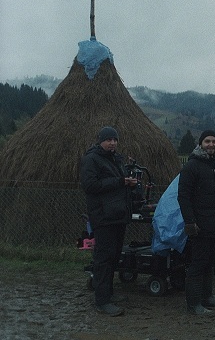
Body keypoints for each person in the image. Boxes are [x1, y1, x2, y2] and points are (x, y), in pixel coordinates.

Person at [80, 126, 138, 317]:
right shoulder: (91, 159)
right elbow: (90, 185)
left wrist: (128, 183)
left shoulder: (115, 159)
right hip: (103, 217)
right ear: (101, 141)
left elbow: (117, 183)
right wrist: (120, 182)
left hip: (117, 215)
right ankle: (102, 301)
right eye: (109, 140)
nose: (112, 143)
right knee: (103, 259)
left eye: (115, 139)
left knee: (113, 256)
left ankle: (109, 294)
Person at [178, 130, 215, 315]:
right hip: (199, 223)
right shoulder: (192, 166)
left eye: (214, 141)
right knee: (198, 263)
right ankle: (193, 304)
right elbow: (183, 196)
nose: (211, 144)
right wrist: (190, 222)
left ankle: (207, 297)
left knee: (210, 261)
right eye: (207, 141)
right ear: (201, 143)